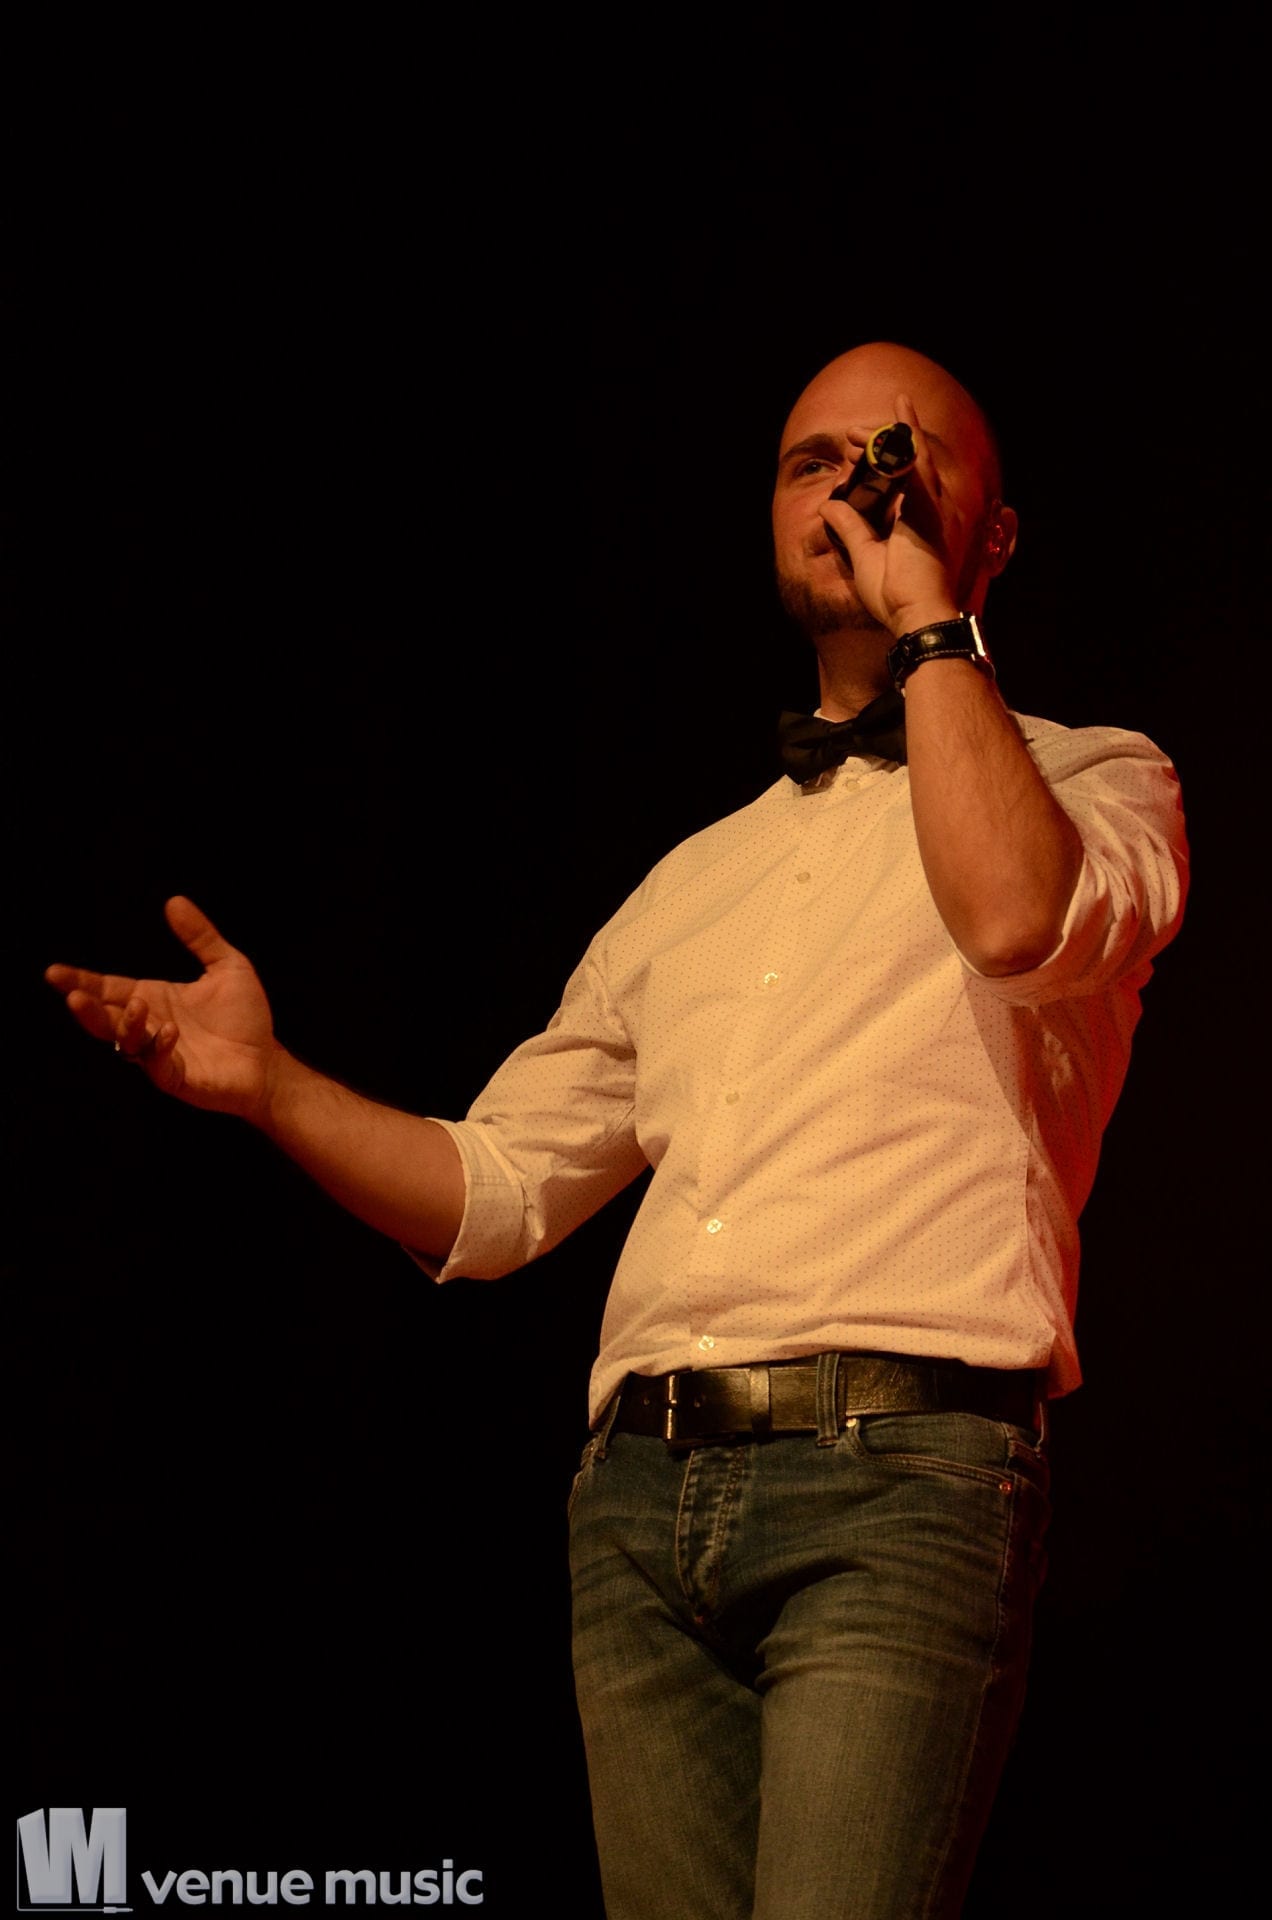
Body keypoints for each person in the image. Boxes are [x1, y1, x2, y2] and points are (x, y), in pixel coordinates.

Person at [46, 340, 1189, 1918]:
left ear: (991, 534)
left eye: (898, 458)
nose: (853, 490)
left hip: (899, 1481)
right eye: (812, 463)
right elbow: (497, 1193)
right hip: (643, 1507)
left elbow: (1012, 919)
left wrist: (933, 622)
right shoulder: (690, 882)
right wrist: (270, 1084)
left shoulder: (1096, 778)